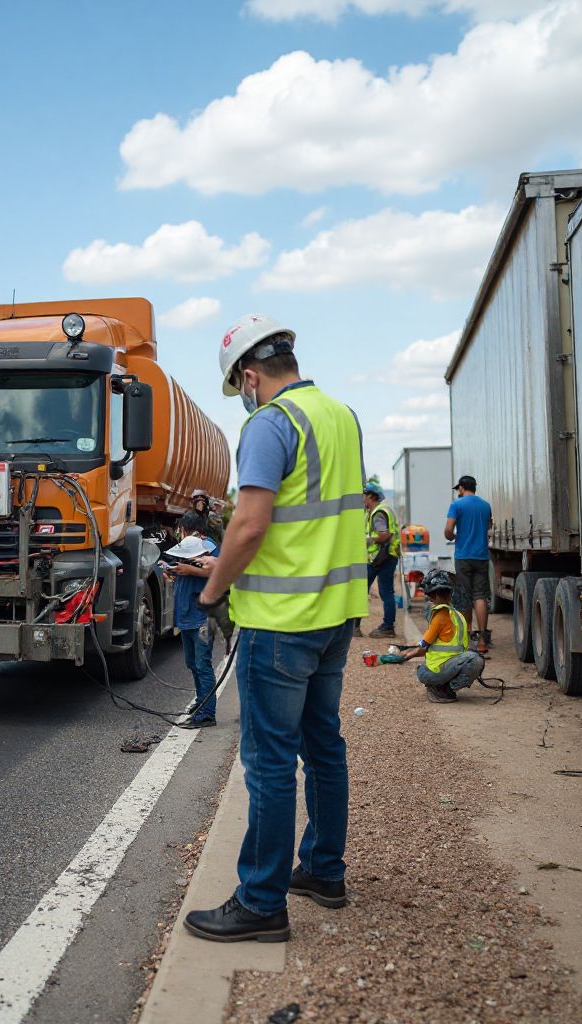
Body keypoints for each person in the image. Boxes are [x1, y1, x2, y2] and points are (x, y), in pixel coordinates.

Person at [185, 313, 367, 943]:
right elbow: (308, 522)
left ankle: (260, 904)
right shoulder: (341, 415)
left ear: (252, 375)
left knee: (267, 763)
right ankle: (323, 870)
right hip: (335, 615)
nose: (244, 398)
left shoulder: (270, 422)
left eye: (240, 388)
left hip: (281, 624)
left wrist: (214, 587)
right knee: (324, 747)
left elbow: (252, 523)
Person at [164, 511, 221, 729]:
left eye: (182, 529)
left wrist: (187, 569)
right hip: (188, 616)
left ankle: (207, 713)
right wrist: (173, 572)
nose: (180, 533)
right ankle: (201, 702)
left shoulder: (207, 545)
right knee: (192, 664)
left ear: (188, 529)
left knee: (202, 664)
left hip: (202, 617)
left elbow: (216, 569)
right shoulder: (188, 547)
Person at [400, 568, 485, 703]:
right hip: (439, 670)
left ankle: (443, 688)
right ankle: (443, 688)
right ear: (450, 593)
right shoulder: (456, 615)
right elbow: (425, 644)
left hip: (441, 669)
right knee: (475, 659)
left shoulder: (443, 615)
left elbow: (423, 646)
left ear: (432, 596)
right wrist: (408, 653)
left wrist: (406, 656)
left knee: (474, 658)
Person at [445, 475, 493, 655]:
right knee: (480, 596)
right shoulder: (485, 505)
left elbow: (449, 530)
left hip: (463, 556)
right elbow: (489, 528)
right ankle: (482, 640)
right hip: (481, 556)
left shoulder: (456, 505)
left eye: (459, 489)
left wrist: (452, 537)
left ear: (462, 488)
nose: (458, 492)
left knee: (464, 596)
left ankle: (466, 638)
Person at [363, 481, 400, 639]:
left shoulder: (378, 512)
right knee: (385, 592)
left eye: (363, 495)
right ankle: (386, 626)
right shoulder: (380, 511)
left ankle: (387, 627)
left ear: (371, 496)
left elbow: (384, 535)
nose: (362, 498)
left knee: (383, 592)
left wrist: (367, 540)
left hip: (381, 557)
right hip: (385, 556)